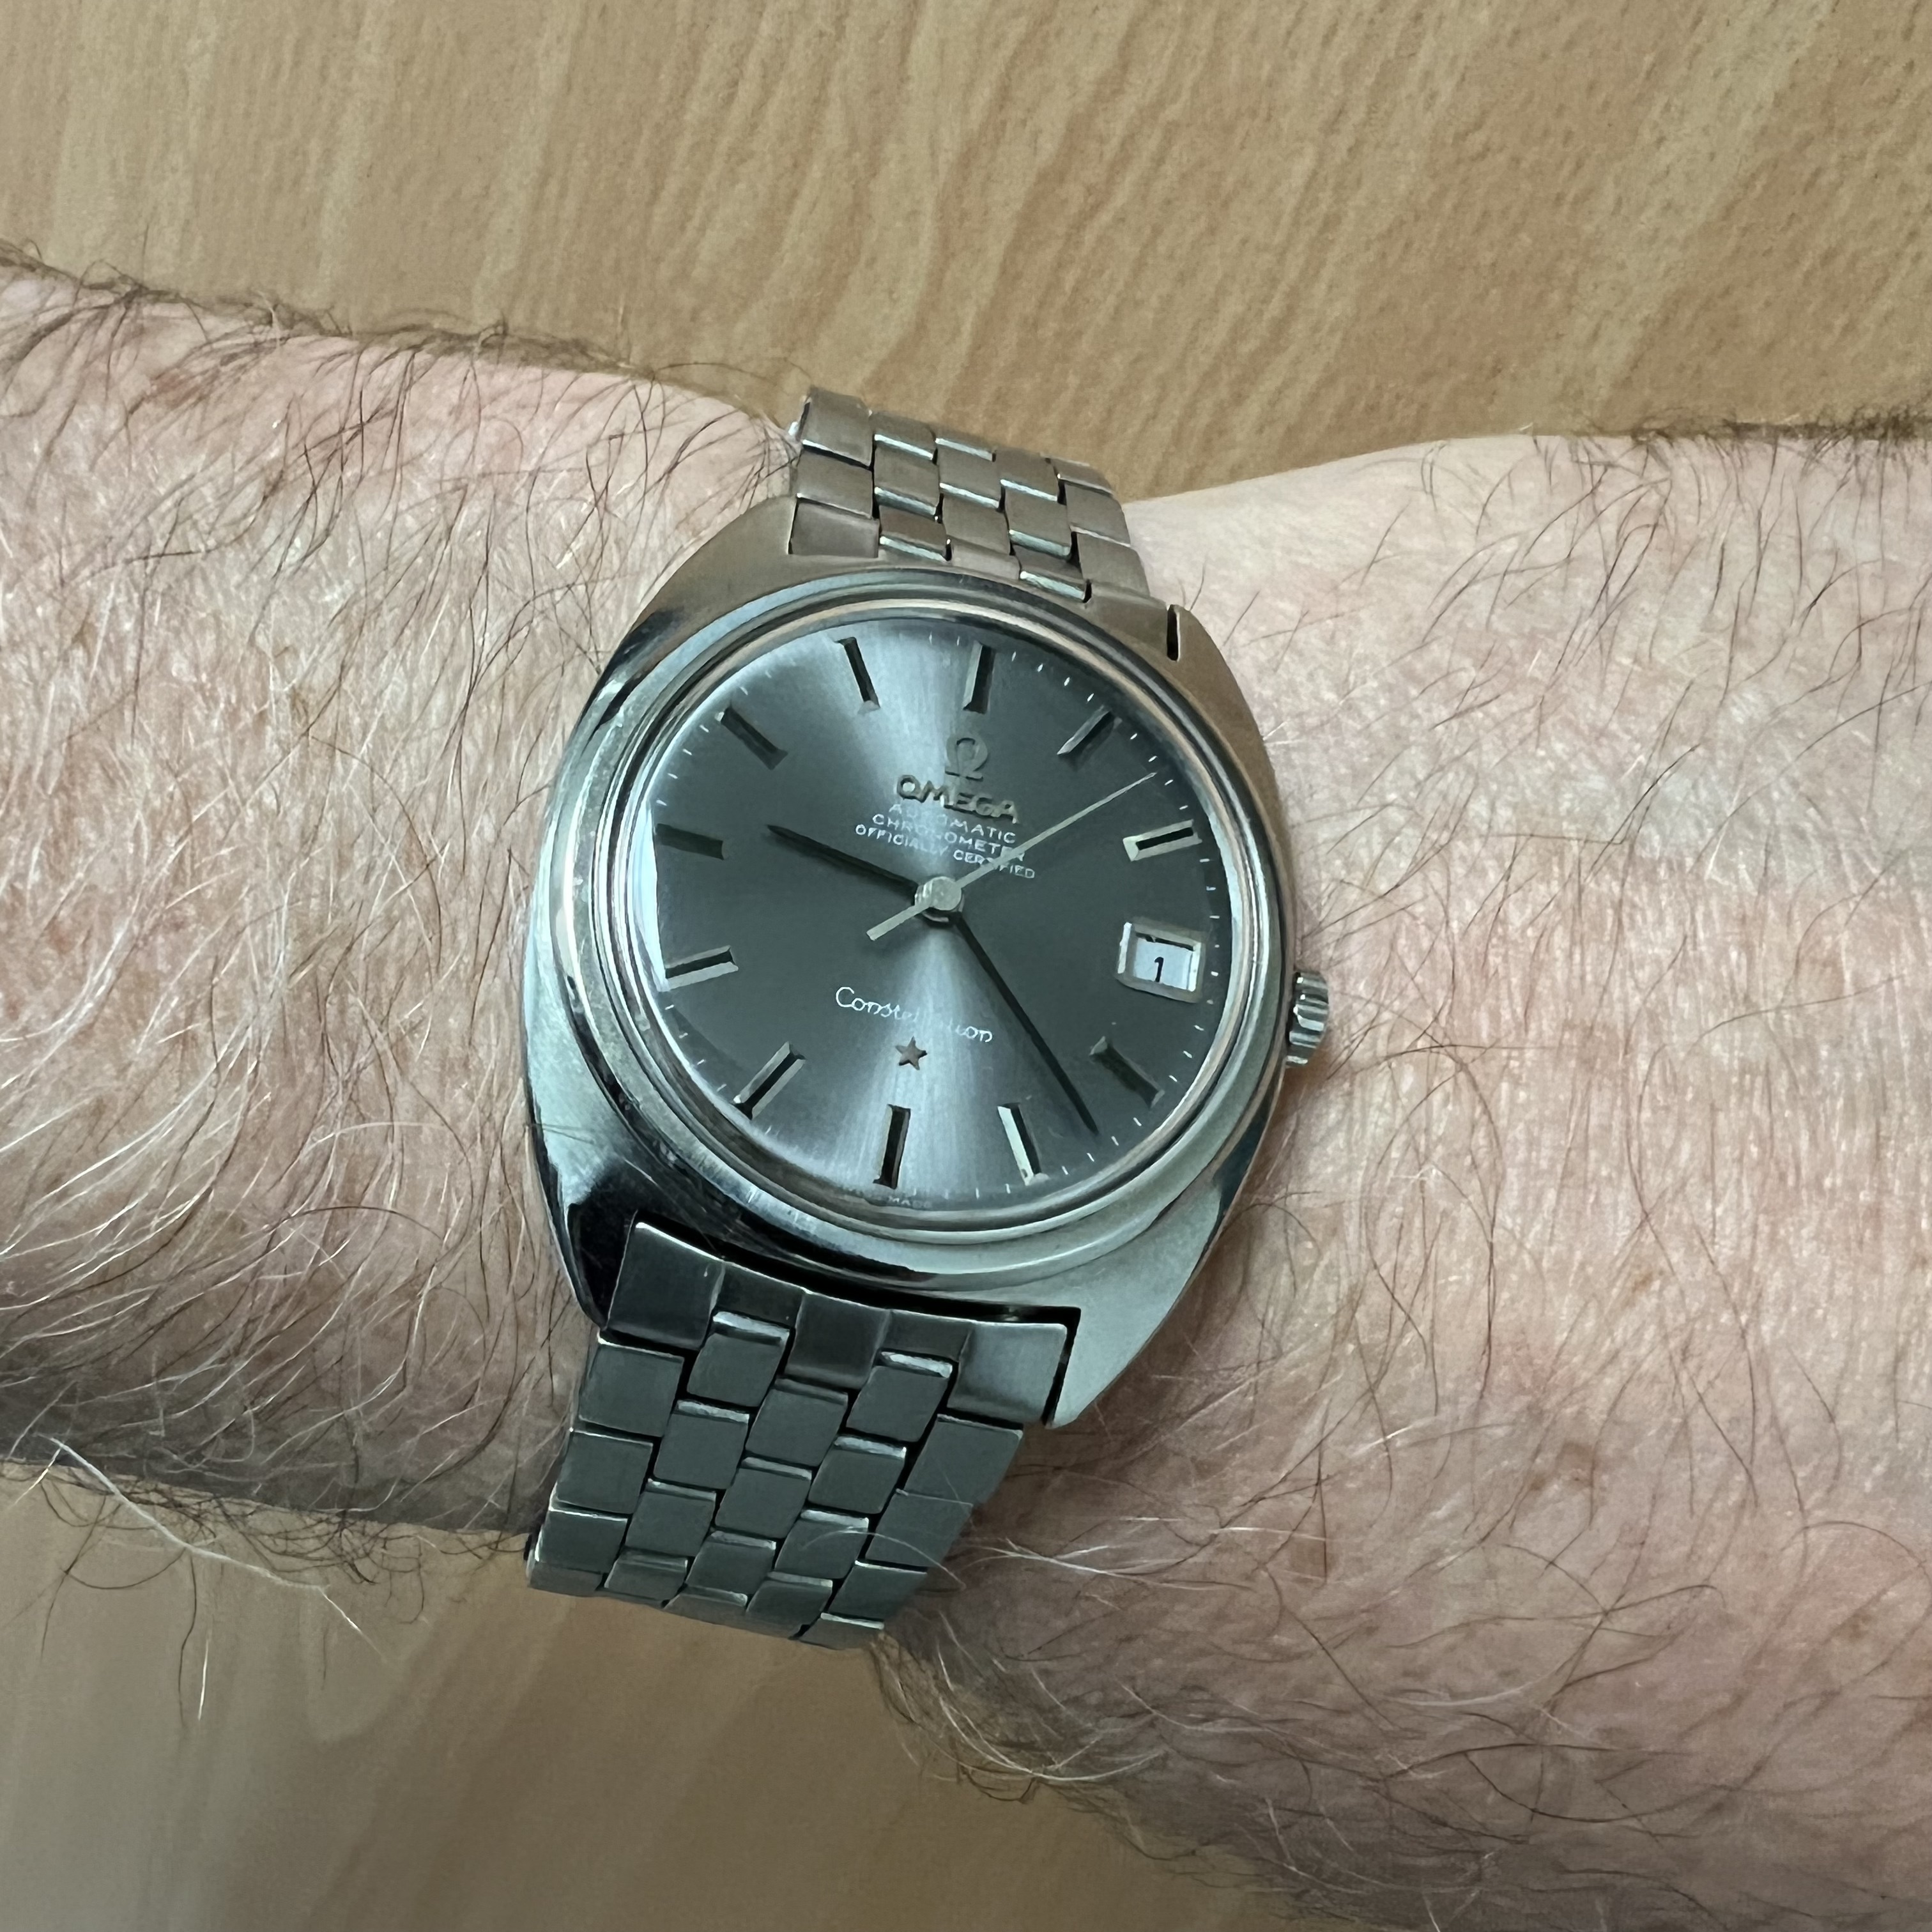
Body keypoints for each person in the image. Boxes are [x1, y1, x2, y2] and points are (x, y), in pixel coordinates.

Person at [2, 249, 1926, 1931]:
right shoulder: (707, 778)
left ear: (1287, 1020)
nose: (933, 900)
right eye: (907, 877)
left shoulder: (1176, 1053)